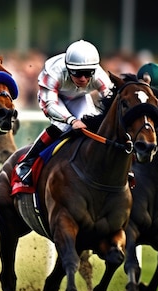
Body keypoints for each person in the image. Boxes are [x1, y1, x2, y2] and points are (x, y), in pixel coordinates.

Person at [14, 39, 114, 186]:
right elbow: (50, 104)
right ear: (68, 68)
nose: (83, 79)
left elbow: (112, 102)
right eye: (78, 73)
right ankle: (27, 161)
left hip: (79, 97)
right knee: (63, 127)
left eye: (88, 74)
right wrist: (72, 120)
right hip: (53, 99)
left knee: (92, 128)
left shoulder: (100, 76)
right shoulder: (53, 71)